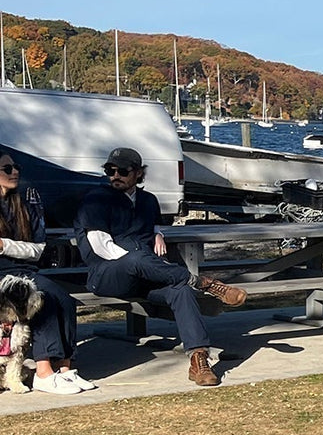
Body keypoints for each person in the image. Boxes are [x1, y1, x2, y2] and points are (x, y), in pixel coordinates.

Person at [74, 147, 248, 387]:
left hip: (145, 277)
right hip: (106, 275)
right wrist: (142, 262)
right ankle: (203, 282)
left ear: (138, 173)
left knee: (181, 290)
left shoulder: (148, 200)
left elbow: (155, 225)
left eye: (122, 171)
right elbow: (101, 246)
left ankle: (198, 358)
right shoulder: (95, 200)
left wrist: (158, 235)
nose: (115, 176)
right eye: (109, 170)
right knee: (136, 260)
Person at [0, 148, 88, 395]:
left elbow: (38, 250)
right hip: (2, 275)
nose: (15, 172)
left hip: (25, 270)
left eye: (16, 167)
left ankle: (65, 368)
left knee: (64, 300)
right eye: (7, 169)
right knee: (42, 302)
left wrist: (5, 245)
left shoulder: (26, 203)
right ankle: (43, 371)